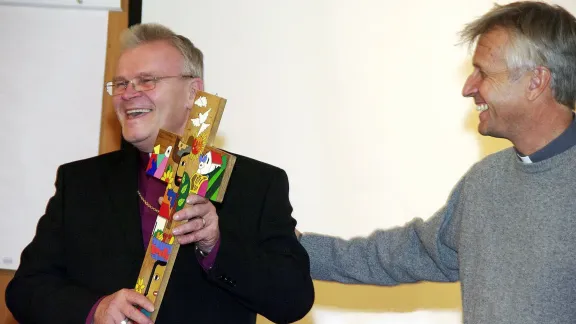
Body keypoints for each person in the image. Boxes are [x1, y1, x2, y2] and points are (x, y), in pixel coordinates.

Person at [6, 23, 314, 324]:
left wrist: (215, 245)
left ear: (193, 93)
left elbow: (293, 300)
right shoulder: (81, 182)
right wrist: (96, 310)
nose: (128, 94)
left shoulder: (254, 183)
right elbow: (25, 290)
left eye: (147, 80)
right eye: (121, 83)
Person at [297, 2, 576, 324]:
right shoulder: (486, 181)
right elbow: (404, 254)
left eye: (483, 72)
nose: (468, 88)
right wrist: (289, 246)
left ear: (535, 81)